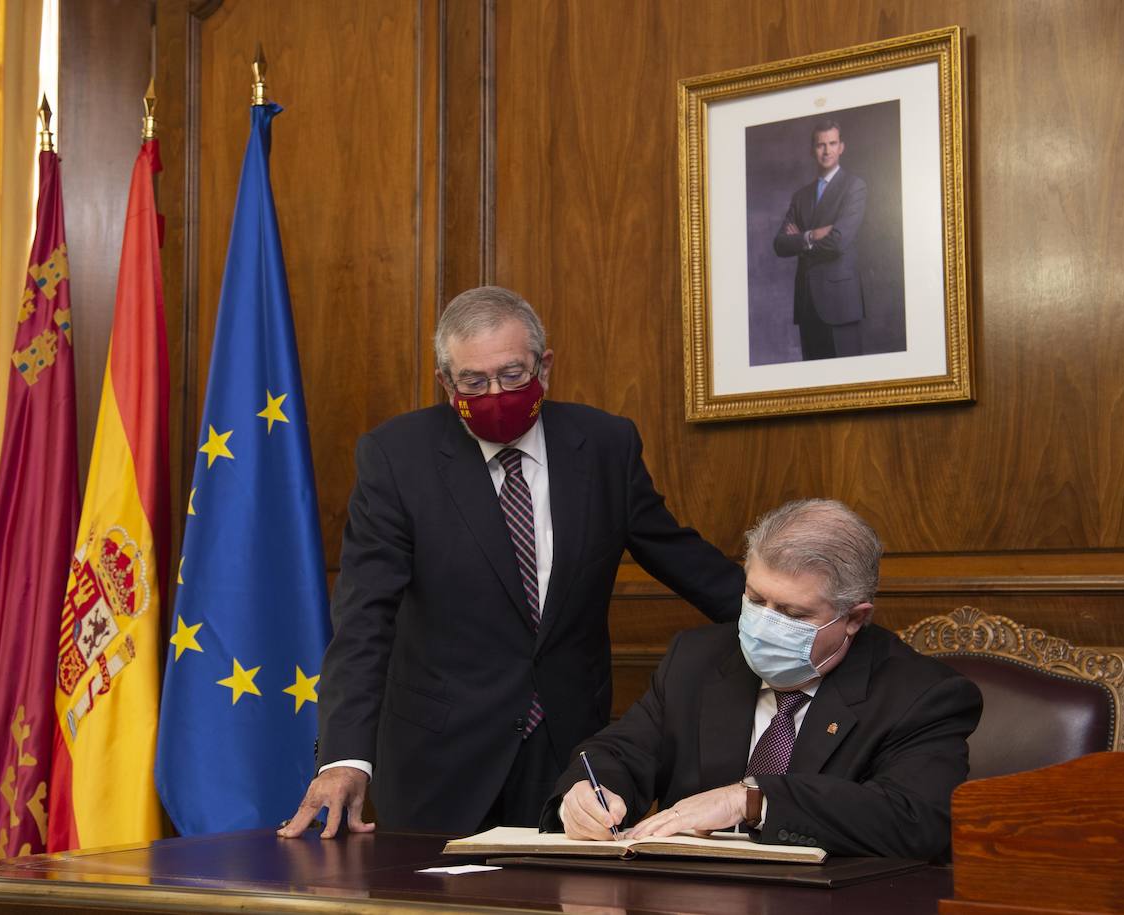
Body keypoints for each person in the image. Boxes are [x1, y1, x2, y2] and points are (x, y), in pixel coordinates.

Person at [278, 286, 745, 840]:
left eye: (513, 374)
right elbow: (364, 619)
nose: (495, 392)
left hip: (572, 754)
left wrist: (787, 618)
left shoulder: (604, 444)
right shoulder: (396, 457)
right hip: (438, 757)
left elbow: (682, 559)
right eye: (473, 381)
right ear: (446, 383)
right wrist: (345, 757)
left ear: (544, 365)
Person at [543, 499, 982, 862]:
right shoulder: (696, 659)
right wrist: (588, 792)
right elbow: (620, 750)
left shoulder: (922, 696)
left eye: (793, 614)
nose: (765, 624)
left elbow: (917, 819)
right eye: (755, 599)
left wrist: (751, 799)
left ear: (853, 619)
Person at [773, 119, 868, 361]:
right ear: (812, 149)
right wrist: (812, 235)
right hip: (807, 305)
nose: (826, 151)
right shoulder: (801, 196)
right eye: (820, 145)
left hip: (840, 303)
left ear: (842, 147)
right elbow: (780, 244)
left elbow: (838, 241)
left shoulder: (854, 187)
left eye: (832, 143)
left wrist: (801, 241)